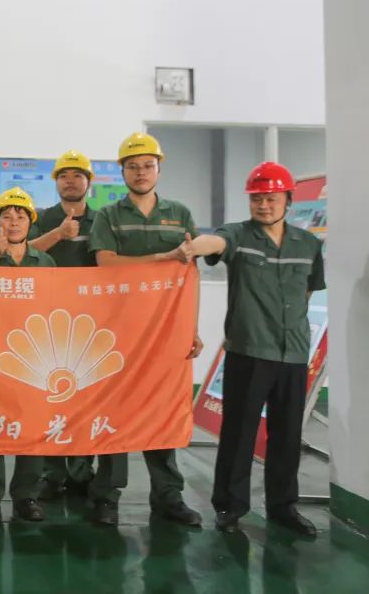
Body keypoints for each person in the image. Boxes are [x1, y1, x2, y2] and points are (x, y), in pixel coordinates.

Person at [174, 162, 324, 537]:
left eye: (271, 198)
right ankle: (230, 506)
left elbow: (307, 291)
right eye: (257, 198)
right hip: (249, 352)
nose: (264, 205)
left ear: (287, 200)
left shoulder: (308, 244)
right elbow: (216, 243)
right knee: (239, 433)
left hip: (293, 354)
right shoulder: (239, 235)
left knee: (287, 435)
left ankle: (283, 507)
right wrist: (193, 247)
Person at [88, 132, 204, 527]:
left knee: (162, 408)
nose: (141, 172)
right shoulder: (109, 215)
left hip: (165, 332)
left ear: (159, 168)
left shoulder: (180, 214)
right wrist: (163, 256)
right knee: (113, 411)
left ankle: (168, 495)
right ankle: (107, 495)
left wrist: (192, 327)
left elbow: (190, 274)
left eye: (147, 166)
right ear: (122, 171)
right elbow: (106, 263)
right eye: (133, 166)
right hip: (117, 330)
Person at [0, 187, 53, 524]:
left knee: (32, 426)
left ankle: (27, 496)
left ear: (30, 223)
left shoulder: (45, 263)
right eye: (6, 216)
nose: (13, 221)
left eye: (20, 216)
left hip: (35, 358)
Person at [28, 150, 98, 500]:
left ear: (89, 182)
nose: (70, 181)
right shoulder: (42, 218)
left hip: (91, 325)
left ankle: (83, 471)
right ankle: (50, 474)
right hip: (49, 324)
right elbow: (24, 250)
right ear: (55, 182)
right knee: (50, 399)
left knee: (86, 400)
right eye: (64, 176)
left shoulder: (102, 220)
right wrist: (58, 233)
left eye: (77, 175)